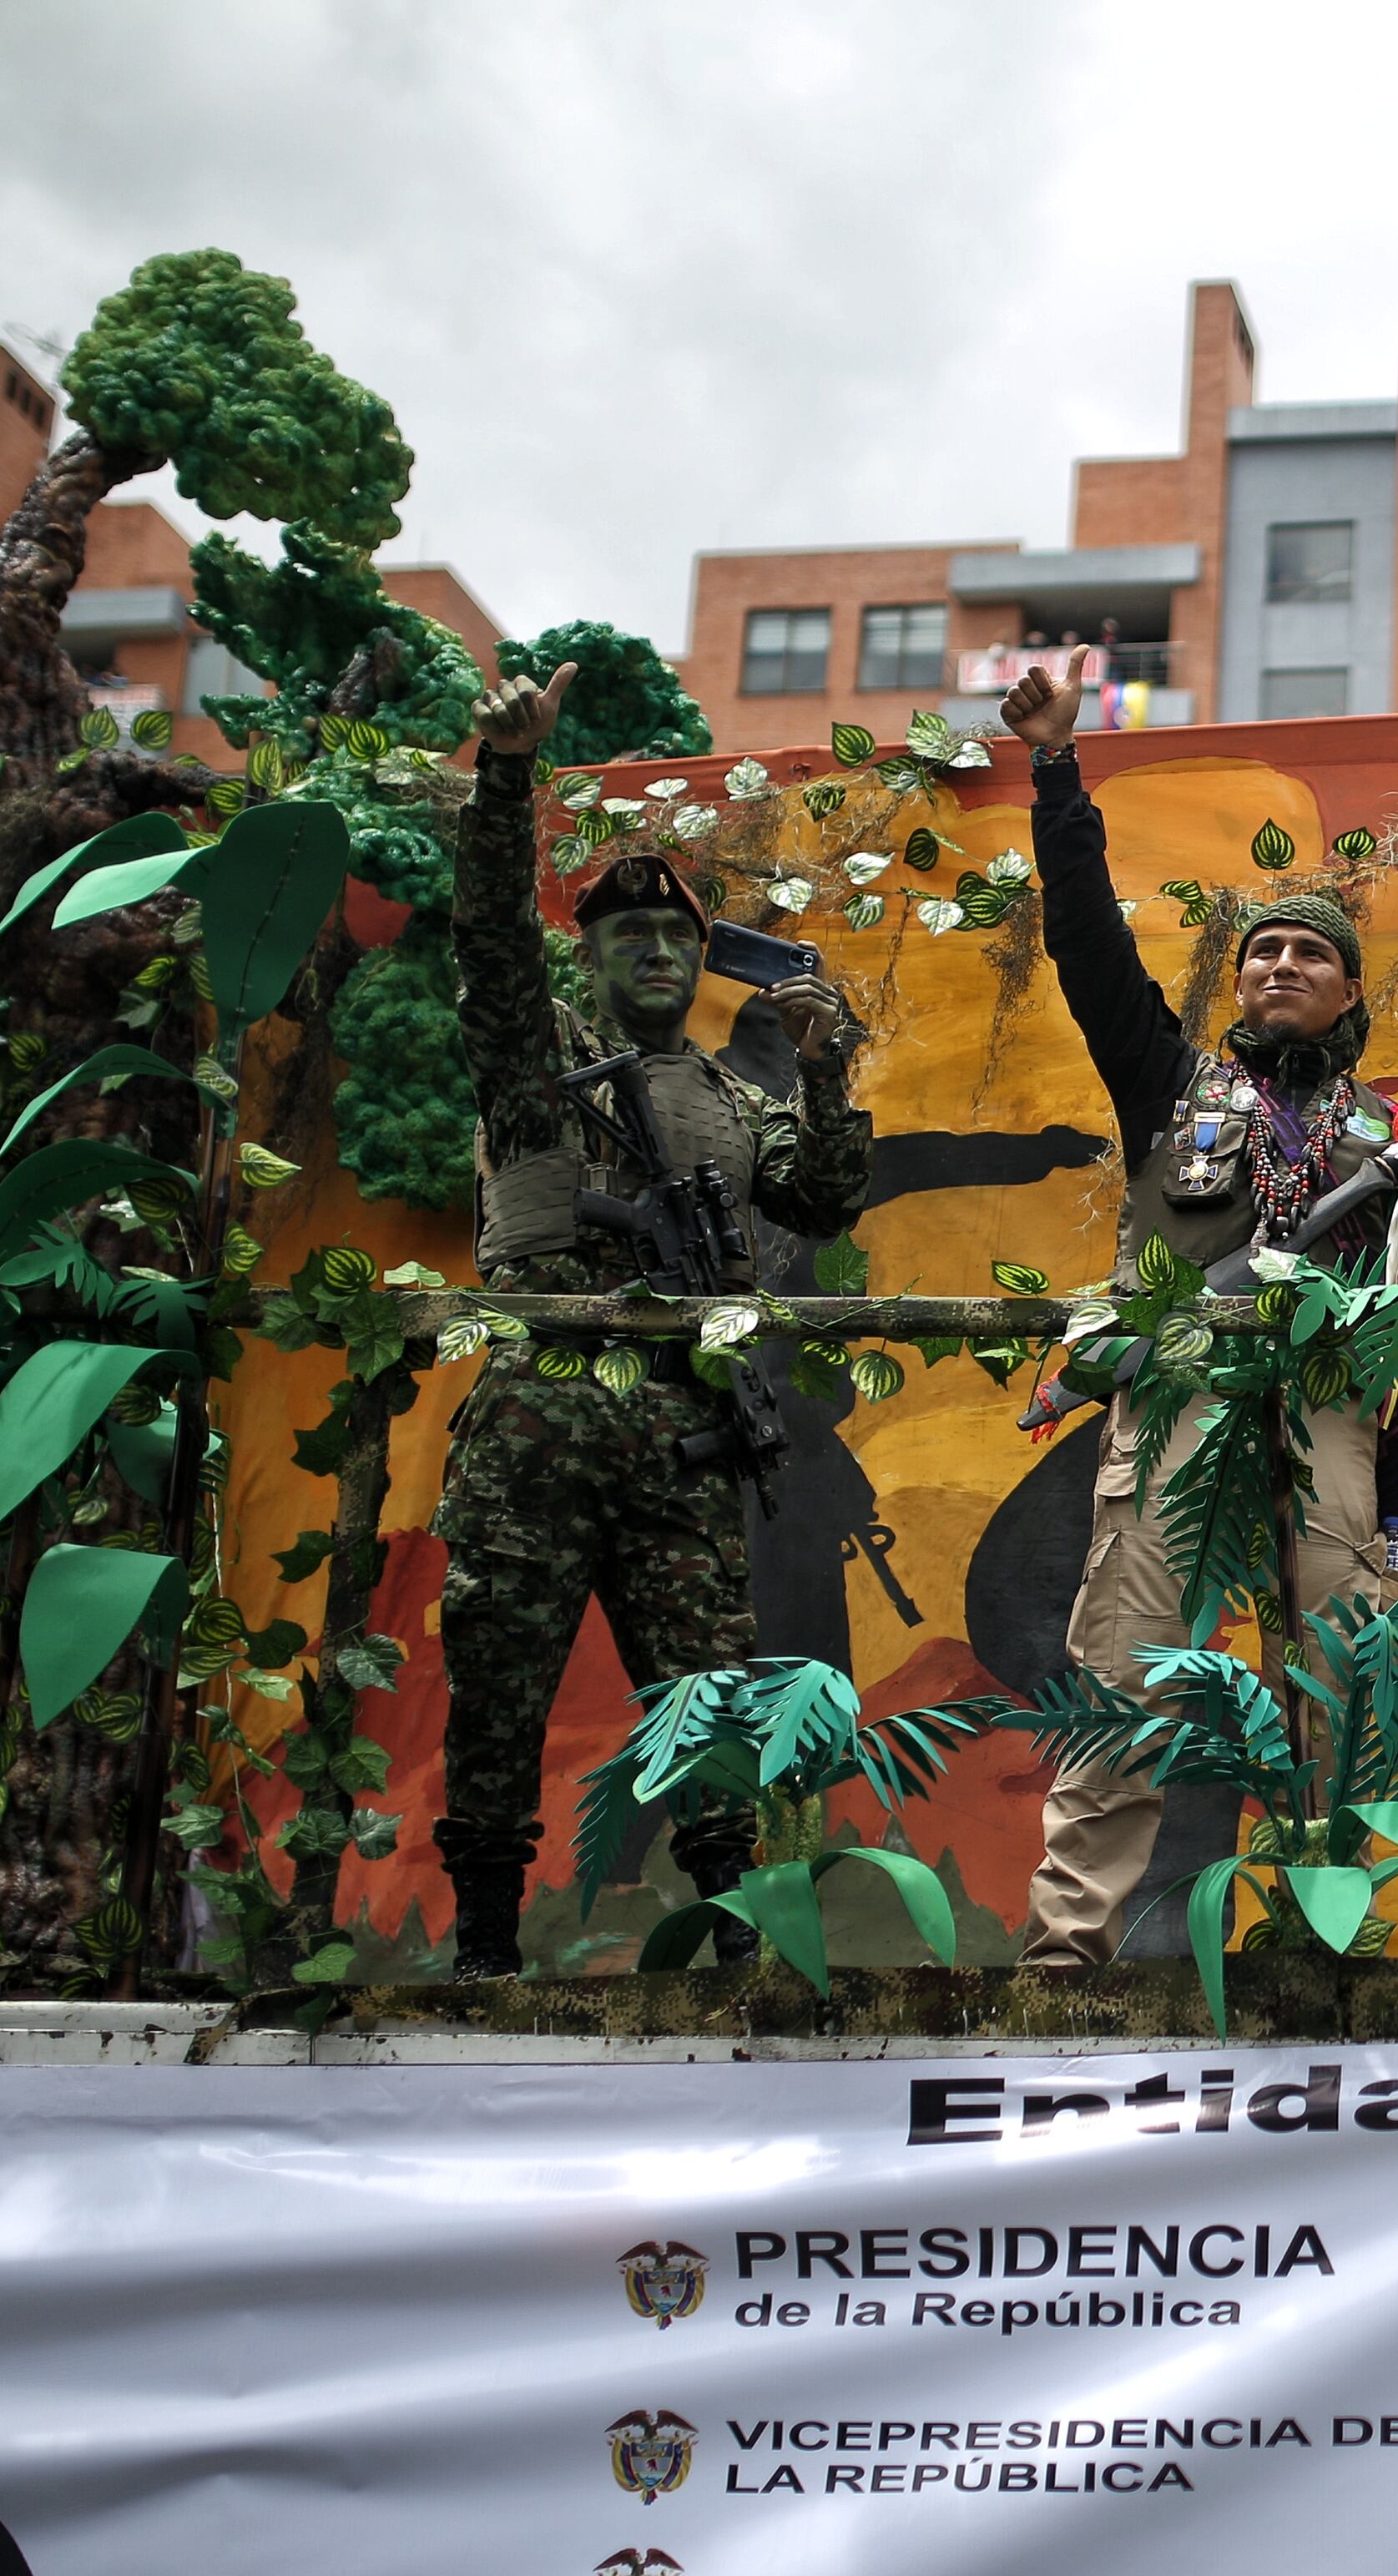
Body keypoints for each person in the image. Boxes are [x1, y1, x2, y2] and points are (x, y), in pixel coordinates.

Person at [997, 656, 1398, 1967]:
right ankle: (1067, 1951)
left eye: (1310, 955)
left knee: (1337, 1679)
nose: (1281, 964)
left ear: (1348, 996)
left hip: (1331, 1423)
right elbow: (1086, 942)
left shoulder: (1390, 1128)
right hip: (1177, 1404)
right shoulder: (1168, 1083)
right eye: (1264, 951)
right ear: (1239, 987)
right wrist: (1058, 769)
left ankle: (1320, 1933)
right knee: (1129, 1667)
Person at [432, 662, 875, 1977]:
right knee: (500, 1687)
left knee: (707, 1694)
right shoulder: (537, 1058)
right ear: (592, 955)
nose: (660, 953)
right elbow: (492, 945)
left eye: (679, 940)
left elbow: (828, 1187)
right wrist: (506, 778)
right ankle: (483, 1946)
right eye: (631, 938)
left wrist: (829, 1068)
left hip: (678, 1433)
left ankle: (733, 1935)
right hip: (541, 1414)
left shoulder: (735, 1104)